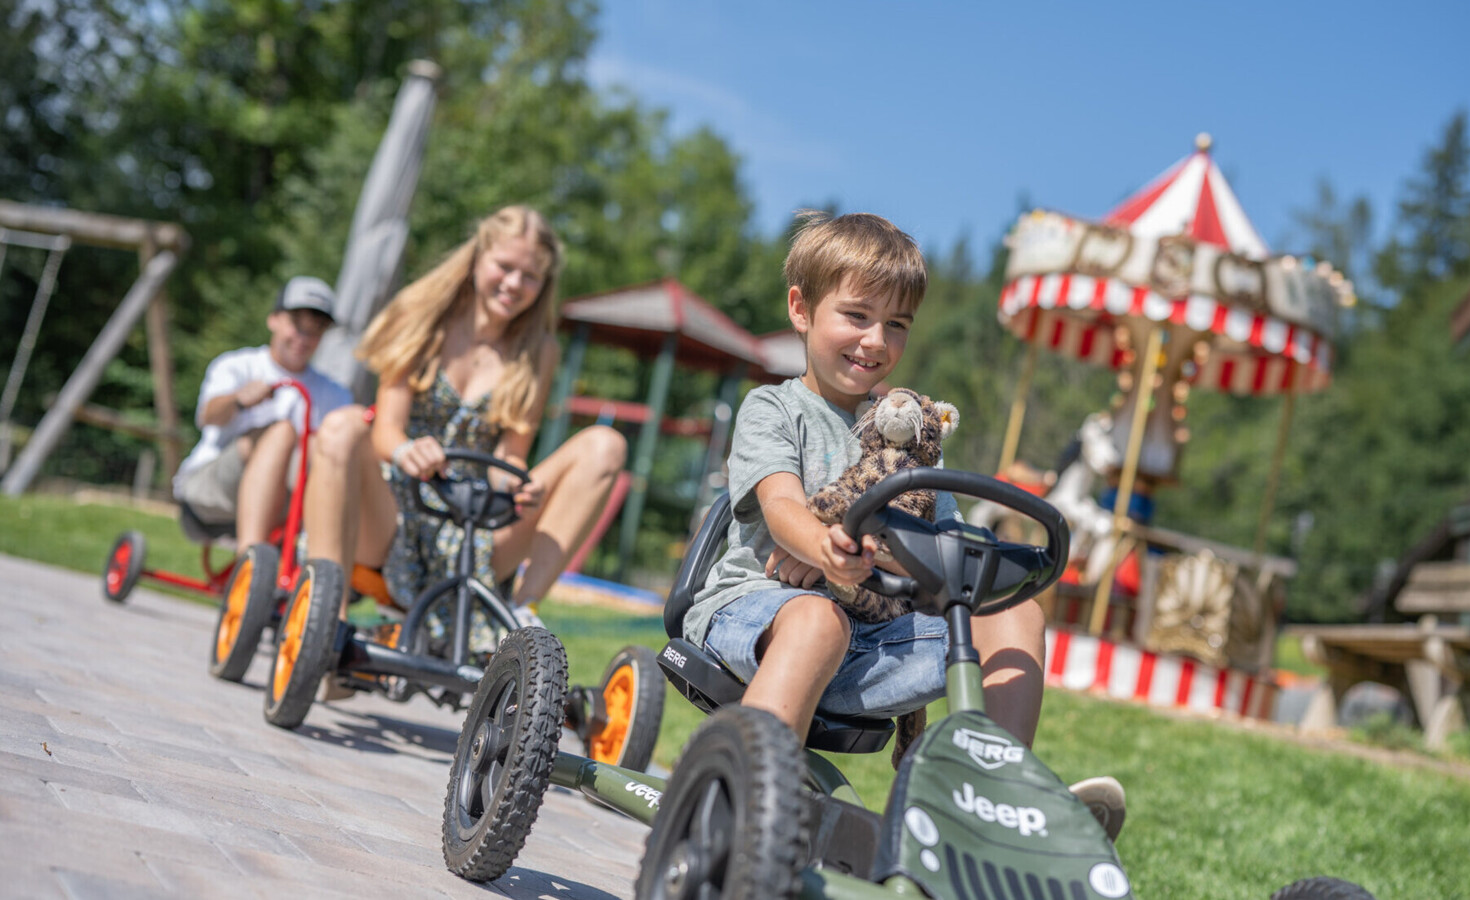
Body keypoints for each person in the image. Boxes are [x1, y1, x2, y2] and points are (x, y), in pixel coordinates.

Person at [683, 211, 1125, 839]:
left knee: (1014, 613)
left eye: (896, 326)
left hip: (870, 637)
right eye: (857, 316)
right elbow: (781, 507)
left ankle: (992, 803)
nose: (875, 341)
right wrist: (823, 546)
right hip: (755, 613)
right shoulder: (775, 408)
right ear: (801, 309)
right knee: (817, 618)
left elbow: (942, 550)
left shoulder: (915, 438)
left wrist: (877, 555)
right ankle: (739, 805)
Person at [301, 204, 626, 631]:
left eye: (530, 277)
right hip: (396, 511)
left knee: (607, 445)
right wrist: (406, 451)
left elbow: (510, 457)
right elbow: (386, 430)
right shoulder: (422, 315)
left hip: (475, 525)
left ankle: (522, 619)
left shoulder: (539, 351)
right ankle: (327, 623)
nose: (513, 284)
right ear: (477, 258)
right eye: (504, 267)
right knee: (343, 424)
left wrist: (516, 484)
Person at [172, 276, 353, 553]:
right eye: (297, 324)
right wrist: (238, 399)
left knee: (327, 445)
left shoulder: (335, 394)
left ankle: (325, 559)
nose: (304, 338)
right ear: (274, 320)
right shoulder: (238, 365)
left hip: (288, 504)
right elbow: (208, 416)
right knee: (281, 433)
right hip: (211, 495)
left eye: (316, 329)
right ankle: (251, 558)